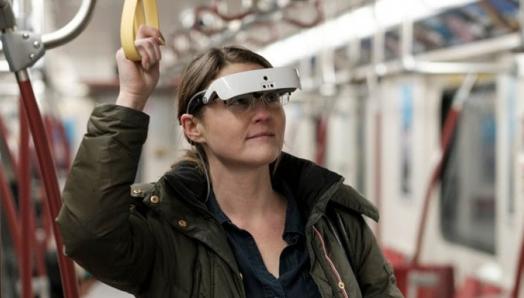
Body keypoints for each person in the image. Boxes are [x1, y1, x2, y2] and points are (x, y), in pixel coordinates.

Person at [57, 26, 403, 298]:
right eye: (241, 102)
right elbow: (87, 235)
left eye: (271, 98)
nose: (263, 113)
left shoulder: (335, 221)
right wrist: (131, 96)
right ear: (193, 128)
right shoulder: (165, 231)